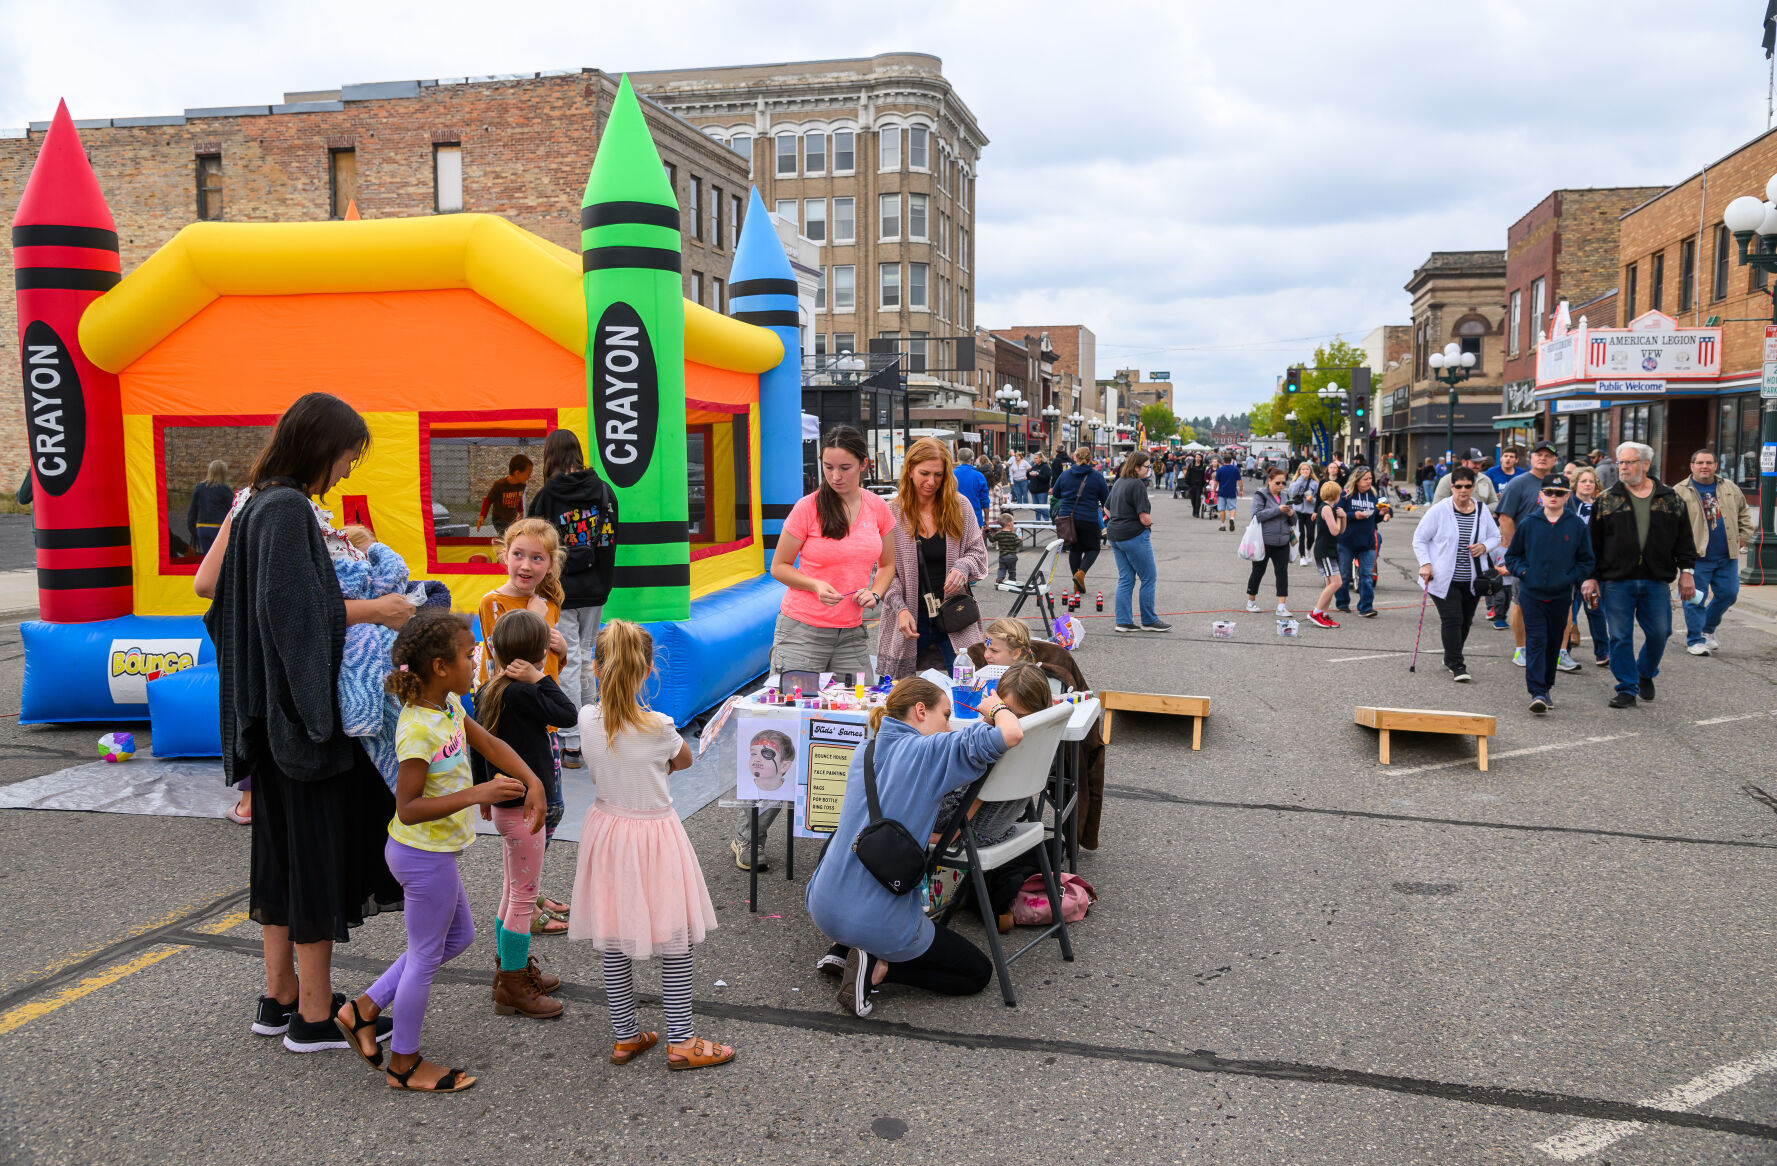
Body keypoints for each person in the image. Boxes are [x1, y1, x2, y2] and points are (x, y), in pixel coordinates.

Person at [204, 392, 407, 1052]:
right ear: (321, 448)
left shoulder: (257, 503)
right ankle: (316, 1016)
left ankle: (280, 995)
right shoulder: (289, 509)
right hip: (300, 721)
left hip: (265, 717)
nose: (346, 471)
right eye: (347, 457)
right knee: (316, 861)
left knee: (282, 859)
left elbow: (224, 605)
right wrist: (377, 611)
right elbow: (296, 619)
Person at [332, 609, 548, 1092]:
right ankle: (404, 1063)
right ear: (439, 665)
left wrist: (532, 780)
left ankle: (363, 1010)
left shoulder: (448, 704)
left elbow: (489, 743)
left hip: (436, 856)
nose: (478, 662)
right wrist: (477, 795)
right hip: (420, 857)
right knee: (427, 955)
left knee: (456, 939)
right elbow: (407, 807)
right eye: (470, 655)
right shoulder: (417, 729)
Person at [807, 676, 1026, 1018]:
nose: (949, 725)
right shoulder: (929, 753)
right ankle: (879, 969)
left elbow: (949, 746)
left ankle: (842, 948)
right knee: (976, 973)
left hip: (823, 904)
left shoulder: (866, 748)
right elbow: (1012, 734)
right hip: (878, 922)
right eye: (946, 715)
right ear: (921, 710)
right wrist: (996, 707)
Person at [569, 620, 732, 1070]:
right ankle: (681, 1040)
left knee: (616, 937)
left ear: (598, 669)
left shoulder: (586, 719)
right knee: (675, 939)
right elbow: (683, 758)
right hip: (655, 835)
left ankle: (625, 1036)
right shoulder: (658, 724)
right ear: (647, 672)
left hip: (607, 831)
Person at [733, 425, 896, 869]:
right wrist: (813, 583)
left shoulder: (878, 508)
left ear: (864, 464)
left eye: (845, 467)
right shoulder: (808, 508)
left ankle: (855, 834)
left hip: (851, 632)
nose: (835, 476)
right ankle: (751, 835)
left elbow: (887, 565)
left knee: (862, 727)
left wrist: (875, 594)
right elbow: (780, 566)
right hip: (802, 630)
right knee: (783, 731)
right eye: (828, 467)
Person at [469, 608, 575, 1017]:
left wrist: (482, 794)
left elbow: (481, 746)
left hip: (503, 807)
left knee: (512, 890)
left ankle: (506, 970)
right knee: (523, 897)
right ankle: (514, 985)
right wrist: (542, 678)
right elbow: (567, 716)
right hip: (525, 809)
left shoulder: (489, 689)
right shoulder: (526, 692)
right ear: (537, 654)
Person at [526, 428, 618, 771]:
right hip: (595, 587)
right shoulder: (604, 491)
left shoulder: (546, 497)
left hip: (559, 587)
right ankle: (590, 731)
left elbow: (533, 542)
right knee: (585, 654)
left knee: (566, 657)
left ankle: (572, 738)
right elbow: (610, 540)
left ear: (550, 455)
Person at [1580, 442, 1698, 709]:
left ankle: (1644, 671)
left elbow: (1684, 540)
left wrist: (1687, 572)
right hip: (1616, 581)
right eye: (1620, 462)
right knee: (1620, 636)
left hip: (1656, 579)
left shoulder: (1670, 498)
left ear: (1645, 464)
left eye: (1629, 462)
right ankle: (1626, 687)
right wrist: (1590, 576)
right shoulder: (1607, 499)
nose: (1622, 467)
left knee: (1661, 632)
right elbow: (1592, 543)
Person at [878, 438, 989, 677]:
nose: (931, 482)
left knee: (969, 685)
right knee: (899, 694)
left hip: (953, 613)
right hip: (908, 617)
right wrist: (900, 608)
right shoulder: (891, 512)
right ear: (909, 470)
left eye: (938, 475)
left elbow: (977, 552)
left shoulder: (960, 506)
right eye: (924, 473)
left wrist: (962, 567)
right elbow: (884, 571)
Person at [1505, 474, 1593, 715]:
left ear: (1567, 496)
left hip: (1561, 595)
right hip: (1531, 594)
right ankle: (1537, 692)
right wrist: (1525, 572)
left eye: (1559, 493)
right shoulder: (1529, 523)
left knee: (1553, 643)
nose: (1553, 497)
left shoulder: (1575, 525)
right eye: (1549, 492)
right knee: (1536, 641)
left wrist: (1570, 577)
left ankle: (1546, 686)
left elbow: (1586, 560)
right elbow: (1512, 556)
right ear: (1540, 496)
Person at [1412, 466, 1500, 682]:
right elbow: (1420, 539)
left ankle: (1451, 654)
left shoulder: (1481, 510)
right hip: (1442, 577)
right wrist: (1425, 564)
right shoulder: (1439, 510)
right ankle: (1456, 664)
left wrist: (1484, 546)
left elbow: (1495, 537)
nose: (1462, 490)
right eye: (1458, 486)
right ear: (1451, 486)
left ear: (1473, 487)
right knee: (1452, 618)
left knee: (1466, 621)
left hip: (1472, 578)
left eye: (1467, 486)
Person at [1673, 449, 1755, 657]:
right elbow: (1670, 523)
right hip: (1696, 557)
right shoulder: (1679, 491)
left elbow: (1743, 512)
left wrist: (1743, 536)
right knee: (1694, 599)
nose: (1704, 466)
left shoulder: (1729, 487)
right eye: (1699, 462)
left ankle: (1707, 629)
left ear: (1716, 466)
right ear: (1692, 466)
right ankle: (1695, 639)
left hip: (1726, 555)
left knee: (1729, 594)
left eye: (1709, 462)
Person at [1495, 441, 1561, 660]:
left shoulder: (1560, 483)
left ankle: (1559, 650)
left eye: (1548, 455)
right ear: (1531, 458)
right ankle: (1521, 648)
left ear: (1555, 460)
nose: (1543, 458)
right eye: (1538, 454)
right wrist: (1516, 550)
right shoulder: (1519, 483)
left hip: (1556, 556)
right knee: (1521, 601)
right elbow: (1505, 517)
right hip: (1526, 556)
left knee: (1560, 603)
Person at [1107, 450, 1171, 633]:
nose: (1149, 469)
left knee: (1126, 578)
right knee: (1149, 577)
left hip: (1115, 535)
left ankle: (1123, 621)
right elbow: (1144, 517)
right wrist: (1148, 523)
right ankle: (1149, 620)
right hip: (1133, 535)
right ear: (1136, 467)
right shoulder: (1137, 484)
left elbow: (1106, 507)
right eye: (1146, 466)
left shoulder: (1119, 482)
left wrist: (1119, 519)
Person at [1050, 444, 1110, 595]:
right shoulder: (1097, 477)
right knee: (1093, 548)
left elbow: (1055, 494)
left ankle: (1077, 582)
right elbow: (1106, 499)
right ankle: (1081, 573)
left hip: (1067, 518)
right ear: (1091, 459)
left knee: (1075, 549)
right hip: (1088, 518)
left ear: (1075, 458)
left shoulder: (1065, 475)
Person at [1567, 466, 1611, 667]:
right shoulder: (1568, 505)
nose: (1587, 485)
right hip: (1569, 566)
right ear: (1575, 483)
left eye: (1591, 481)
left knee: (1595, 609)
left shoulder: (1600, 505)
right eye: (1584, 481)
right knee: (1568, 610)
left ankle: (1603, 652)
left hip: (1591, 568)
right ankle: (1563, 650)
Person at [1333, 465, 1388, 617]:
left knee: (1367, 576)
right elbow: (1337, 513)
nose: (1369, 481)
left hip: (1367, 541)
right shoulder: (1346, 495)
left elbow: (1375, 517)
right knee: (1343, 575)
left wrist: (1382, 514)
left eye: (1370, 479)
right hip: (1347, 541)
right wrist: (1353, 515)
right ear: (1357, 480)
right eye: (1365, 479)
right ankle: (1342, 603)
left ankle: (1366, 607)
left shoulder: (1373, 495)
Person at [1244, 466, 1294, 617]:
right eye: (1277, 483)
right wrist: (1278, 510)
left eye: (1283, 483)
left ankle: (1281, 606)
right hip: (1264, 541)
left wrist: (1292, 513)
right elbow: (1256, 516)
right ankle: (1251, 601)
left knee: (1282, 573)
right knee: (1258, 571)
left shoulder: (1285, 496)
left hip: (1283, 541)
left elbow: (1293, 520)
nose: (1281, 486)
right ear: (1269, 481)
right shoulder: (1260, 495)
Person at [1305, 481, 1347, 628]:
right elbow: (1335, 531)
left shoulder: (1332, 509)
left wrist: (1343, 517)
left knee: (1331, 583)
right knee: (1337, 582)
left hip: (1330, 549)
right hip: (1324, 550)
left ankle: (1323, 613)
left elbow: (1341, 531)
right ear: (1335, 495)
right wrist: (1338, 516)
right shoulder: (1326, 509)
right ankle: (1316, 612)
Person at [476, 453, 533, 536]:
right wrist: (482, 516)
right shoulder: (500, 485)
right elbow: (488, 500)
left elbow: (519, 497)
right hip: (499, 518)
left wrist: (520, 511)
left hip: (512, 518)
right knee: (505, 536)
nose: (529, 477)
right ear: (517, 473)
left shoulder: (522, 485)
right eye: (528, 474)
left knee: (513, 536)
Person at [187, 459, 233, 554]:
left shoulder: (199, 488)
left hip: (202, 528)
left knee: (207, 558)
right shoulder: (225, 489)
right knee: (221, 559)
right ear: (223, 473)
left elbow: (192, 512)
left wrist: (193, 530)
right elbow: (233, 510)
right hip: (219, 528)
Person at [1430, 449, 1499, 511]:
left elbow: (1494, 503)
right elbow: (1437, 506)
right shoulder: (1447, 479)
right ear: (1464, 462)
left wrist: (1479, 510)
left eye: (1480, 463)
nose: (1478, 466)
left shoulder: (1485, 480)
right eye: (1475, 463)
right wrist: (1462, 512)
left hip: (1480, 523)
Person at [1286, 461, 1320, 567]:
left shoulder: (1315, 483)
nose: (1305, 471)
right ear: (1299, 471)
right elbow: (1292, 493)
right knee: (1300, 534)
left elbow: (1319, 498)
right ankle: (1302, 557)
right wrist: (1301, 480)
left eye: (1307, 469)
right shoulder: (1295, 482)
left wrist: (1312, 500)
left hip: (1310, 512)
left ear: (1311, 471)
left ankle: (1308, 549)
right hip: (1298, 511)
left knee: (1311, 536)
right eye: (1303, 469)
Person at [953, 445, 990, 529]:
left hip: (954, 518)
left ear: (958, 459)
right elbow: (985, 501)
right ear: (972, 460)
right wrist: (987, 519)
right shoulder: (979, 476)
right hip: (974, 519)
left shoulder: (950, 475)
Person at [1213, 454, 1243, 532]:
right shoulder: (1235, 469)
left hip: (1222, 492)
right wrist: (1241, 490)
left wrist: (1214, 491)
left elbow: (1216, 482)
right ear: (1231, 460)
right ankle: (1232, 518)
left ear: (1223, 460)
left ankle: (1222, 525)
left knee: (1222, 509)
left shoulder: (1220, 470)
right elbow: (1240, 481)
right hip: (1232, 491)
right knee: (1232, 507)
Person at [992, 511, 1022, 584]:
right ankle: (1012, 581)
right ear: (1009, 524)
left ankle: (999, 579)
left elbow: (992, 539)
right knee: (1012, 570)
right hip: (1012, 556)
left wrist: (988, 533)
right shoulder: (1013, 535)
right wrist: (1020, 539)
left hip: (1002, 556)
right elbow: (1017, 544)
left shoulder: (999, 534)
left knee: (1002, 569)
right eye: (1013, 523)